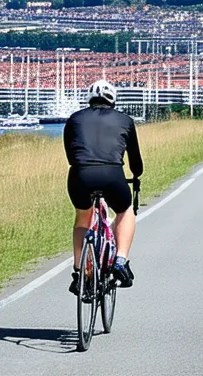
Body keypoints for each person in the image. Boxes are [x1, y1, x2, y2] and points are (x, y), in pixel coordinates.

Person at [65, 79, 143, 295]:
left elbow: (70, 154)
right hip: (112, 174)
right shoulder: (125, 120)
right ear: (113, 100)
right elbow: (135, 160)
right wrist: (136, 174)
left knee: (82, 218)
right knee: (125, 210)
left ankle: (79, 271)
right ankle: (120, 260)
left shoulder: (75, 119)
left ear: (89, 98)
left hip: (80, 174)